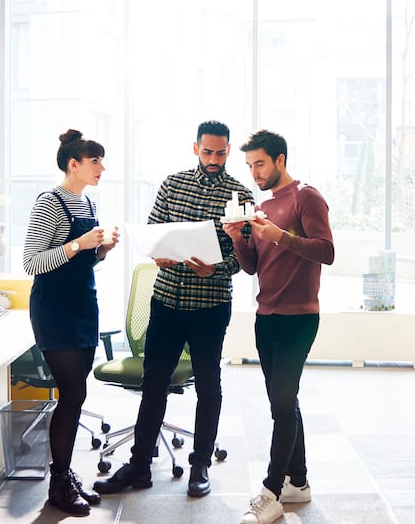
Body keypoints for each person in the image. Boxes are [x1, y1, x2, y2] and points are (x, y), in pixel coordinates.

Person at [94, 120, 255, 498]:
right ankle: (139, 467)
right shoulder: (172, 184)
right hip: (166, 299)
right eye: (207, 152)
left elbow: (246, 257)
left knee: (209, 385)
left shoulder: (240, 194)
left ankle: (200, 465)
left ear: (229, 150)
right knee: (154, 383)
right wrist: (159, 254)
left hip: (210, 305)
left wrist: (217, 267)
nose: (213, 159)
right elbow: (153, 233)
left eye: (220, 152)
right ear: (195, 148)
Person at [222, 130, 334, 524]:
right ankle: (298, 483)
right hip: (265, 315)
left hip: (299, 317)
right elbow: (253, 265)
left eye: (260, 164)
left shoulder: (306, 196)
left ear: (280, 160)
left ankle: (270, 493)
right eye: (249, 165)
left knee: (283, 404)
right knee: (282, 403)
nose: (254, 172)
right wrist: (241, 239)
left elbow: (327, 251)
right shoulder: (263, 204)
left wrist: (280, 236)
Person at [21, 129, 119, 517]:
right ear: (74, 164)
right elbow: (32, 262)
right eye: (96, 161)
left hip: (84, 305)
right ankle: (58, 482)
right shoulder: (49, 204)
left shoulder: (88, 204)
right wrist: (79, 244)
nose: (102, 168)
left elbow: (82, 262)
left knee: (77, 396)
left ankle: (65, 474)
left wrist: (101, 250)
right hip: (55, 310)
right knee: (72, 396)